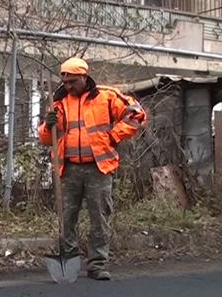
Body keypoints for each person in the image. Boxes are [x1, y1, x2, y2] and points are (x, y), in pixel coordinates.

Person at [38, 58, 147, 280]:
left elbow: (137, 115)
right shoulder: (57, 102)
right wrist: (48, 126)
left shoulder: (106, 96)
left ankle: (97, 264)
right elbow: (47, 139)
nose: (68, 86)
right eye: (65, 81)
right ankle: (69, 260)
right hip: (68, 170)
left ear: (84, 78)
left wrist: (113, 135)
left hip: (99, 167)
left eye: (73, 82)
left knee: (99, 217)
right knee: (66, 217)